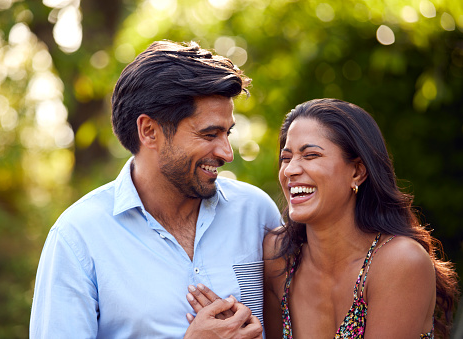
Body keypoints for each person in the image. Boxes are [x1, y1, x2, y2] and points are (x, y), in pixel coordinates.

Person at [29, 40, 281, 338]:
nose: (227, 153)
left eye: (227, 133)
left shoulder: (257, 212)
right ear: (149, 131)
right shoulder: (77, 238)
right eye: (209, 134)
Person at [262, 98, 459, 338]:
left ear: (357, 171)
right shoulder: (279, 256)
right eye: (286, 158)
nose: (290, 170)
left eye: (311, 155)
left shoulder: (399, 261)